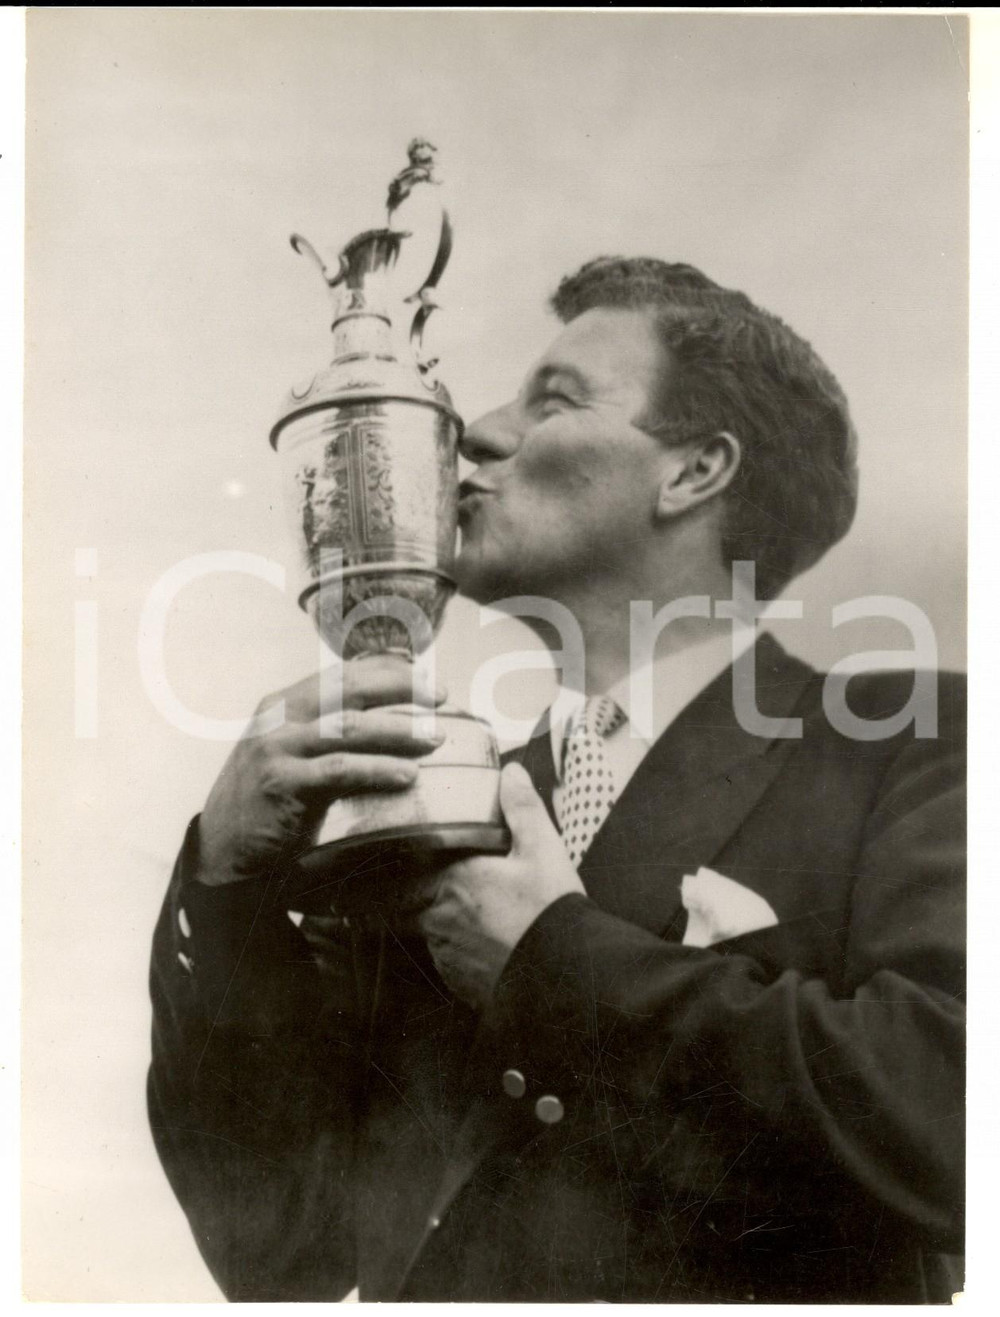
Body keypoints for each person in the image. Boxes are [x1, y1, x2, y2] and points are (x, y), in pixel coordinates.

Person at [148, 257, 964, 1303]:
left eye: (555, 401)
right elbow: (278, 1250)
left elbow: (955, 1116)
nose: (476, 433)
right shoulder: (449, 802)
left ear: (695, 470)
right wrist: (225, 886)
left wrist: (553, 960)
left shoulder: (907, 737)